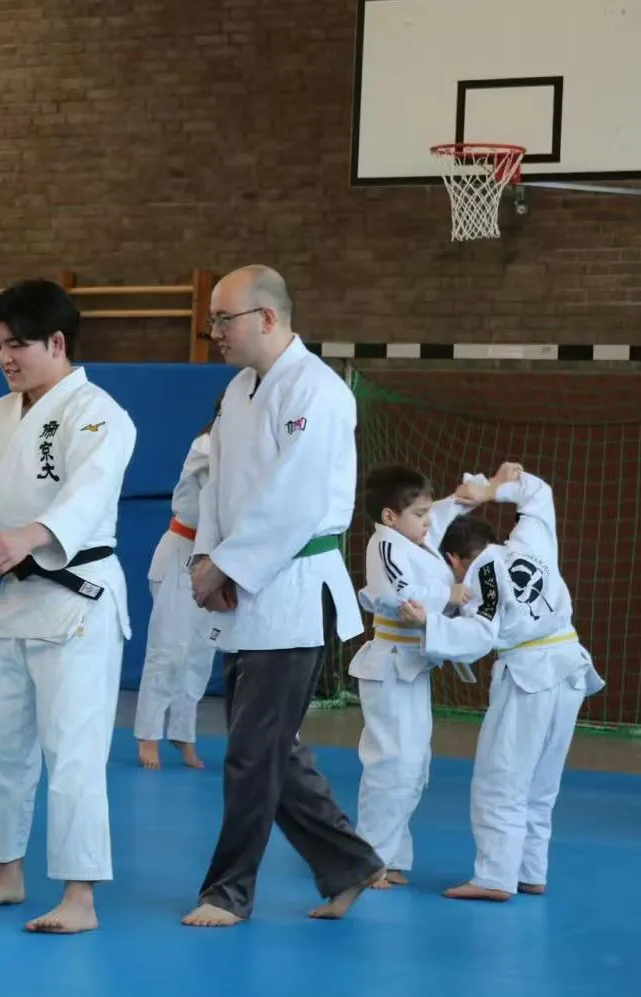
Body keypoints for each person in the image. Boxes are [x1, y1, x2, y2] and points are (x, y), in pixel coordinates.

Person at [184, 264, 383, 928]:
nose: (214, 331)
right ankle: (350, 862)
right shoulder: (238, 390)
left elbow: (294, 501)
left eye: (224, 319)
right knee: (270, 749)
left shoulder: (318, 390)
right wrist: (207, 558)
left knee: (253, 752)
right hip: (248, 584)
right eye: (212, 320)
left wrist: (227, 568)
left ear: (267, 317)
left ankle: (228, 891)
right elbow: (215, 486)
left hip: (295, 590)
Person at [0, 278, 137, 935]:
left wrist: (29, 536)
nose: (5, 358)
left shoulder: (99, 413)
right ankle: (7, 874)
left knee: (73, 751)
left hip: (76, 601)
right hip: (14, 601)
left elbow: (88, 496)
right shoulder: (2, 414)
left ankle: (79, 897)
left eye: (17, 345)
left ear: (57, 342)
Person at [408, 463, 605, 902]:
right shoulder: (528, 541)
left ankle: (494, 877)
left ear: (454, 560)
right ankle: (531, 871)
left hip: (530, 676)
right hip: (570, 666)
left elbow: (481, 634)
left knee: (501, 778)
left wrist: (430, 625)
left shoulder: (482, 573)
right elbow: (538, 493)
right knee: (541, 782)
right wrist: (491, 491)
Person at [348, 464, 473, 887]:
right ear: (389, 516)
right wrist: (448, 593)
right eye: (418, 514)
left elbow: (438, 515)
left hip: (413, 665)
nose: (427, 522)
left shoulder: (414, 541)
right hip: (389, 664)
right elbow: (397, 596)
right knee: (391, 763)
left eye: (426, 514)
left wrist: (470, 496)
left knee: (414, 764)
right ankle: (368, 860)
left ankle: (391, 855)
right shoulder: (384, 544)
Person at [133, 400, 219, 770]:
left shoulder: (245, 449)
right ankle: (148, 734)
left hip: (215, 560)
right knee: (169, 648)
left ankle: (183, 732)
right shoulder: (207, 446)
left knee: (201, 651)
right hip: (183, 551)